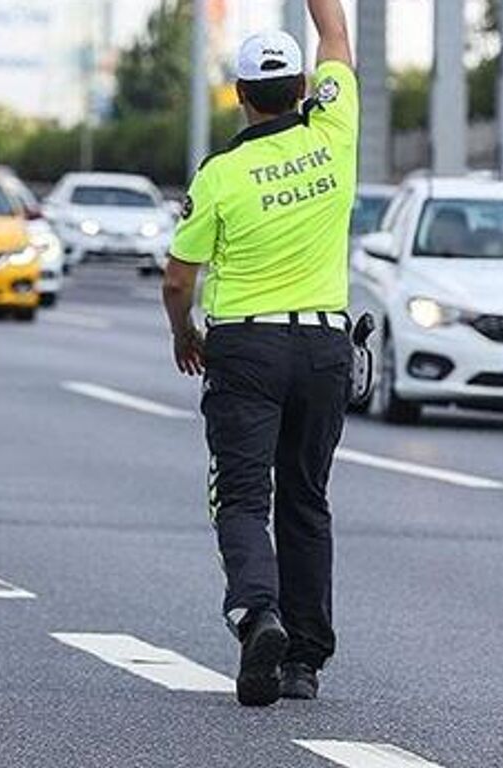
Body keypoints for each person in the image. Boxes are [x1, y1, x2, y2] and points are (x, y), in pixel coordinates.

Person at [159, 0, 357, 708]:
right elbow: (334, 29)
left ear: (240, 98)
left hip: (246, 348)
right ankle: (304, 662)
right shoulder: (335, 131)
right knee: (306, 499)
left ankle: (257, 615)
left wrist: (186, 335)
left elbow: (180, 278)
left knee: (243, 498)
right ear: (303, 88)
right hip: (327, 345)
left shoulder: (221, 173)